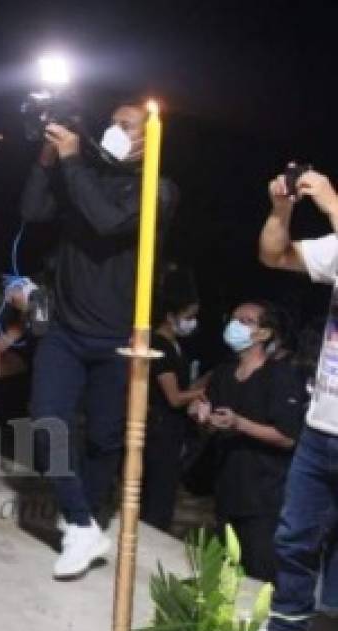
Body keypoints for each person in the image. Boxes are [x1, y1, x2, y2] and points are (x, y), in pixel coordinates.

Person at [19, 102, 177, 580]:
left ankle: (84, 516)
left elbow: (107, 221)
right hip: (66, 329)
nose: (113, 130)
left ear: (149, 139)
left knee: (106, 438)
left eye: (125, 125)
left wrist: (71, 164)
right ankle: (81, 523)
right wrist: (50, 159)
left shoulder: (158, 190)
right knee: (48, 419)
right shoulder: (80, 174)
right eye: (110, 121)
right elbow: (32, 210)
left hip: (119, 337)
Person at [257, 168, 338, 631]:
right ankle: (288, 627)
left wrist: (331, 201)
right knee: (296, 532)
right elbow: (273, 254)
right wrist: (281, 210)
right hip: (322, 423)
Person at [188, 301, 303, 582]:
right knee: (225, 578)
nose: (234, 325)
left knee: (260, 577)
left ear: (264, 334)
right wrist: (203, 419)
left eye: (245, 320)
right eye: (234, 317)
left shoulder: (280, 376)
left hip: (263, 498)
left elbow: (288, 437)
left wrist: (240, 423)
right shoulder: (224, 374)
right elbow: (212, 426)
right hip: (227, 490)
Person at [139, 273, 205, 532]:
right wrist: (200, 392)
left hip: (172, 429)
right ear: (170, 315)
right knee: (158, 490)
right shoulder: (159, 345)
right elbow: (174, 397)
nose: (192, 322)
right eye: (188, 316)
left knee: (165, 490)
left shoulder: (175, 345)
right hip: (160, 428)